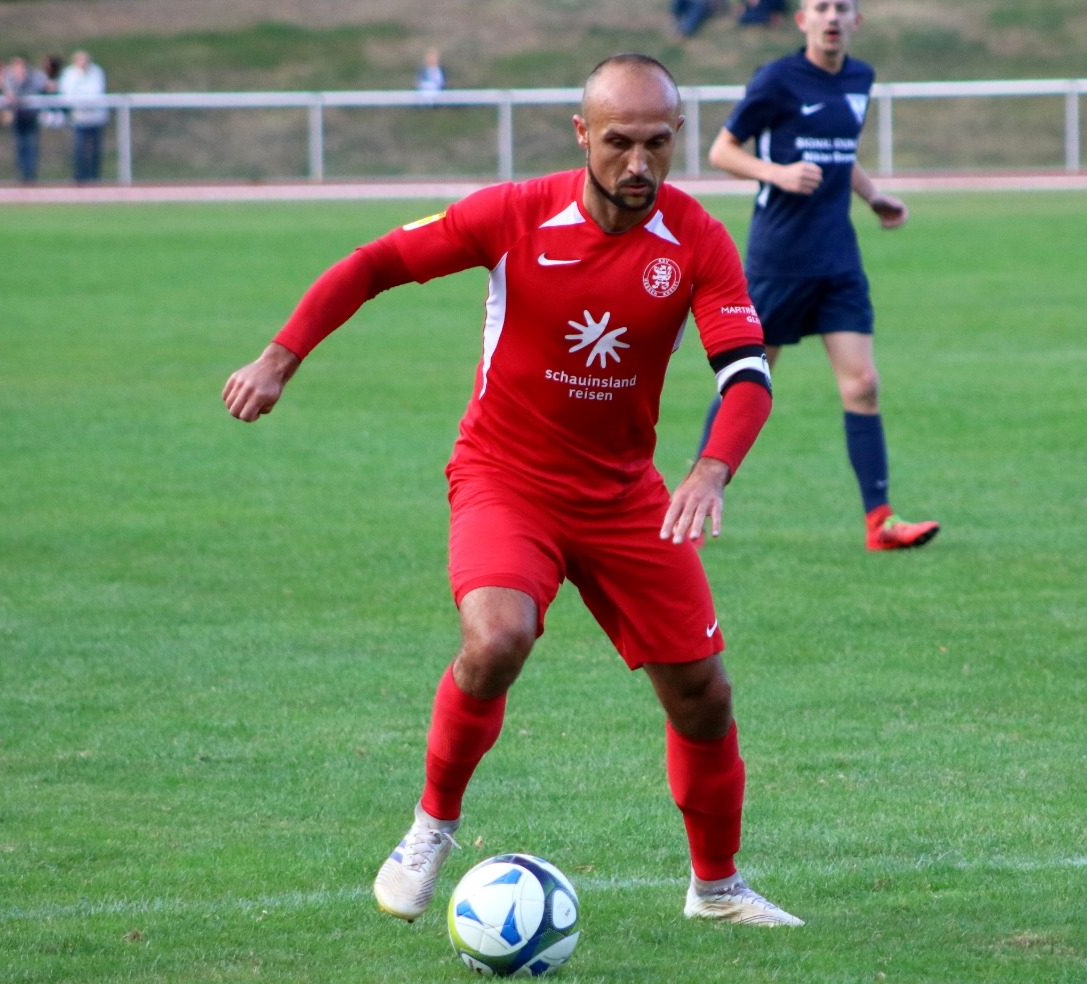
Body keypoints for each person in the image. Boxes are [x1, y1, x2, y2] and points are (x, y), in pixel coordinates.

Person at [221, 54, 802, 928]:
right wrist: (280, 357)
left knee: (703, 694)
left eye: (656, 143)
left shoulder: (697, 241)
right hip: (507, 478)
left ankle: (717, 891)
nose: (638, 163)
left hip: (624, 496)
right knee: (498, 638)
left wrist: (711, 468)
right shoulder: (515, 214)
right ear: (581, 134)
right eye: (618, 142)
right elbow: (376, 264)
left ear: (678, 136)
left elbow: (748, 375)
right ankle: (430, 828)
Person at [700, 0, 940, 552]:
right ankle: (695, 502)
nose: (832, 17)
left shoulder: (860, 79)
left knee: (864, 384)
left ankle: (880, 522)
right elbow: (722, 151)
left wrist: (874, 196)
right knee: (746, 386)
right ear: (803, 19)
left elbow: (841, 153)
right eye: (820, 7)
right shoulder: (776, 79)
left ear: (857, 20)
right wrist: (777, 173)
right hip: (779, 260)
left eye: (842, 8)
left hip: (837, 261)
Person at [57, 51, 108, 182]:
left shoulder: (96, 72)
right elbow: (67, 94)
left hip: (96, 118)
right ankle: (80, 177)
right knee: (79, 149)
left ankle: (94, 177)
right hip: (78, 118)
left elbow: (97, 92)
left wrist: (84, 99)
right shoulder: (69, 74)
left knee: (95, 150)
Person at [0, 56, 49, 183]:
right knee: (19, 145)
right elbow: (8, 93)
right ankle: (22, 175)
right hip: (17, 117)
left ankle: (30, 175)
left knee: (31, 145)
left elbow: (40, 88)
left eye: (21, 67)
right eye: (16, 67)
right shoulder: (9, 78)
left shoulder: (34, 77)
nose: (19, 70)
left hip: (31, 116)